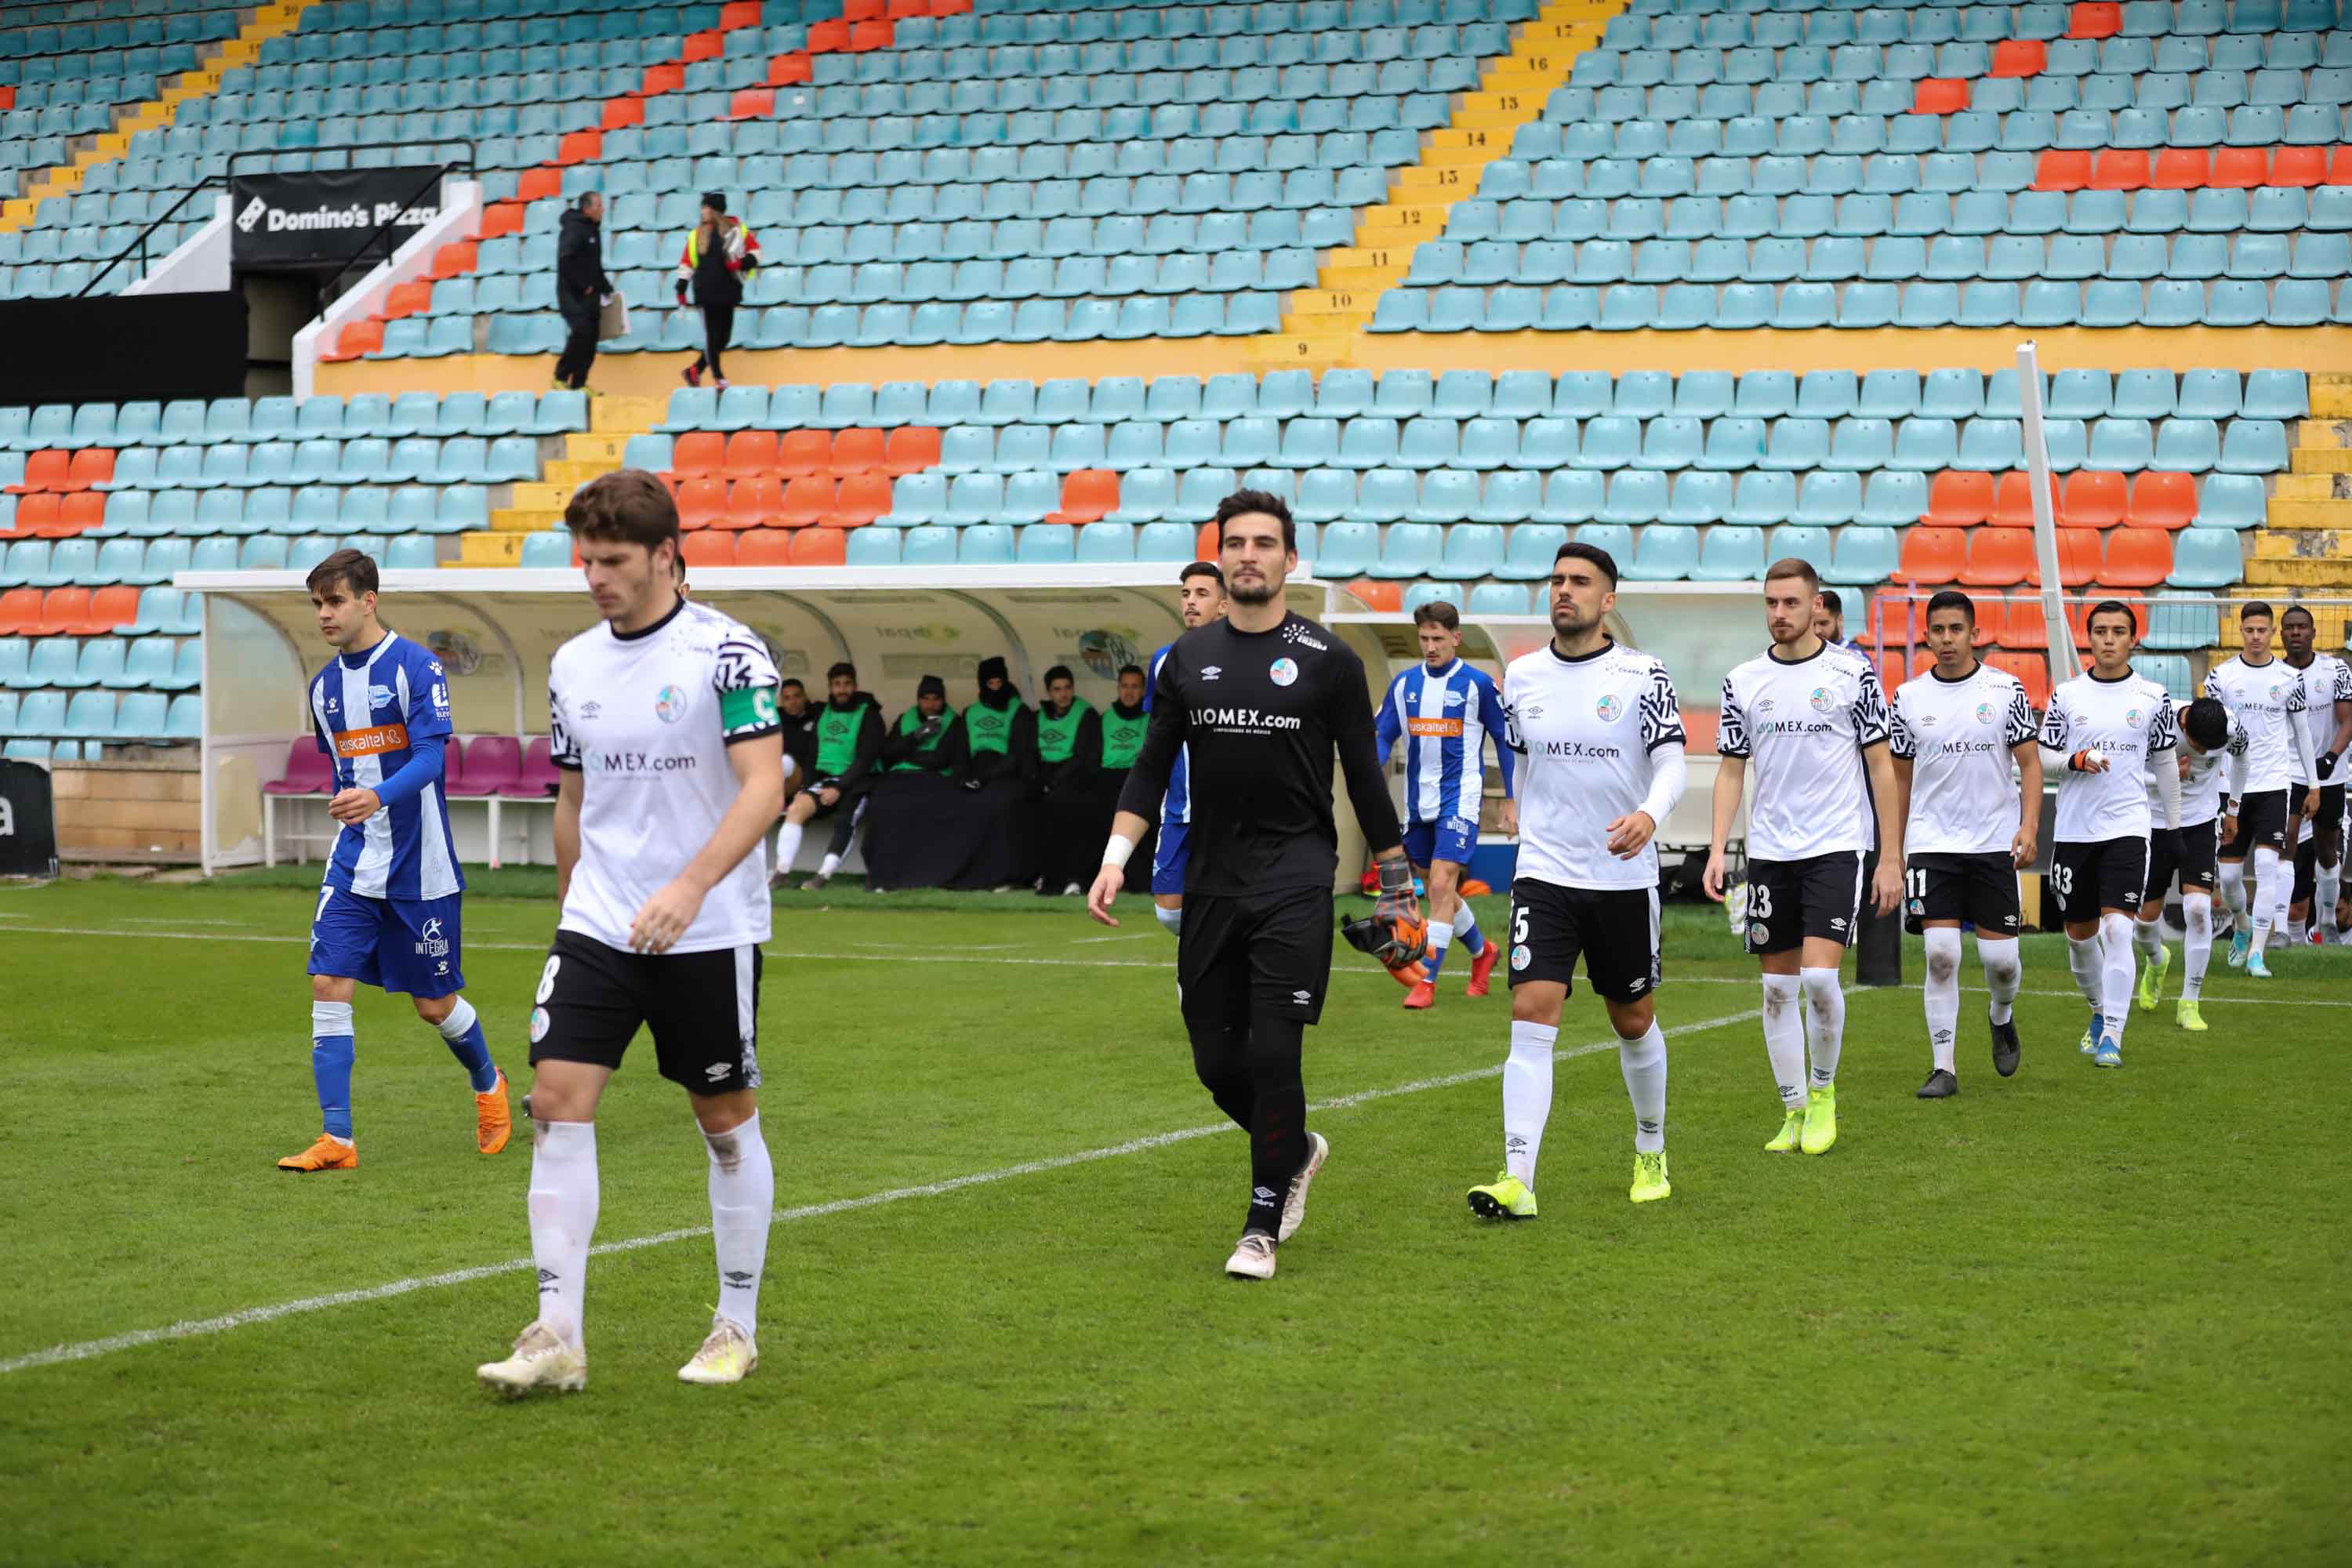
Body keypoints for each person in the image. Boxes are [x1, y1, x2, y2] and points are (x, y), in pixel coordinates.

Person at [476, 468, 786, 1396]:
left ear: (664, 554)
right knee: (553, 1102)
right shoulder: (573, 663)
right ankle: (556, 1335)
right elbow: (575, 797)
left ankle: (737, 1322)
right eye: (585, 560)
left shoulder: (729, 655)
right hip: (600, 926)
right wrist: (574, 910)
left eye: (612, 560)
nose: (595, 576)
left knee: (723, 1122)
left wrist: (691, 886)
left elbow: (765, 786)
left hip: (708, 926)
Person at [1087, 489, 1418, 1283]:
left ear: (1289, 560)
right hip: (1211, 881)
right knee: (1214, 1063)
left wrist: (1396, 879)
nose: (1247, 555)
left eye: (1263, 543)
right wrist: (1114, 855)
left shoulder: (1329, 659)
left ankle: (1261, 1224)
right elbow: (1151, 766)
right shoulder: (1185, 660)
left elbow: (1364, 774)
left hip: (1298, 878)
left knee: (1275, 1050)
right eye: (1234, 542)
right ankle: (1297, 1147)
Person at [1466, 542, 1683, 1219]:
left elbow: (1673, 762)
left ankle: (1651, 1146)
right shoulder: (1523, 676)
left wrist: (1649, 815)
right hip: (1546, 875)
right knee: (1531, 1014)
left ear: (1607, 600)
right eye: (1557, 579)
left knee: (1633, 1018)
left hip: (1621, 877)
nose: (1565, 590)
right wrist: (1526, 821)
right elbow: (1524, 764)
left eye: (1580, 582)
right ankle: (1518, 1179)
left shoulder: (1643, 674)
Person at [279, 548, 510, 1172]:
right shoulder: (324, 687)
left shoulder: (416, 667)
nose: (325, 615)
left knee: (434, 1005)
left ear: (368, 600)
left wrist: (376, 795)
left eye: (335, 602)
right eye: (318, 605)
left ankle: (489, 1083)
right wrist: (354, 802)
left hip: (420, 863)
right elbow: (342, 767)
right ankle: (338, 1140)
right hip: (356, 862)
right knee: (328, 983)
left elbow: (434, 760)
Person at [1703, 557, 1903, 1156]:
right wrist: (1718, 848)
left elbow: (1881, 768)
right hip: (1770, 851)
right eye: (1771, 603)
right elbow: (1732, 769)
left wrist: (1890, 857)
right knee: (1775, 991)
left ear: (1817, 606)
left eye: (1791, 603)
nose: (1780, 614)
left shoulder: (1853, 673)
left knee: (1819, 978)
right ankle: (1791, 1110)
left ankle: (1822, 1095)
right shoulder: (1743, 680)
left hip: (1837, 846)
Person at [1886, 590, 2039, 1100]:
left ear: (1974, 634)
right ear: (1926, 635)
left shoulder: (2005, 689)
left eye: (1957, 629)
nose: (1947, 639)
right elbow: (1900, 781)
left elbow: (2031, 764)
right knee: (1941, 955)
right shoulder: (1907, 698)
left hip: (1994, 844)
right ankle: (1943, 1067)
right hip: (1932, 843)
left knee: (2001, 964)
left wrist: (2030, 826)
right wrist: (1895, 846)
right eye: (1938, 630)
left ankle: (2001, 1015)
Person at [2038, 600, 2183, 1069]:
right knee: (2080, 938)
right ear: (2089, 637)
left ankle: (2113, 1036)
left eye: (2118, 631)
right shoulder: (2067, 695)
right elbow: (2042, 757)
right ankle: (2099, 1012)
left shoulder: (2153, 696)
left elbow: (2163, 762)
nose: (2108, 639)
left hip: (2127, 827)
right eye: (2100, 630)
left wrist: (2175, 828)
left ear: (2132, 640)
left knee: (2118, 928)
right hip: (2075, 830)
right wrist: (2075, 761)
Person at [1373, 599, 1515, 1011]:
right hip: (1419, 803)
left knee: (1439, 885)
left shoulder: (1477, 685)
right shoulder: (1404, 685)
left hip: (1461, 799)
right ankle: (1482, 951)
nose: (1431, 646)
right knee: (1439, 888)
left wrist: (1510, 799)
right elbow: (1383, 735)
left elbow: (1504, 741)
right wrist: (1370, 770)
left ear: (1456, 638)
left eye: (1438, 638)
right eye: (1424, 638)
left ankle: (1427, 983)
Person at [2205, 601, 2316, 977]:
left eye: (2262, 630)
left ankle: (2257, 954)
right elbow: (2212, 731)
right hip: (2228, 787)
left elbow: (2302, 733)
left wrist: (2313, 784)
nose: (2256, 637)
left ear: (2272, 633)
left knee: (2268, 867)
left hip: (2274, 785)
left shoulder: (2289, 678)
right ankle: (2242, 923)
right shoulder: (2221, 677)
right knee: (2231, 877)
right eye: (2249, 630)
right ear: (2242, 632)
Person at [2132, 696, 2241, 1032]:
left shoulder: (2230, 726)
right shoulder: (2156, 722)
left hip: (2200, 823)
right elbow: (2128, 770)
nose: (2206, 754)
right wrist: (2164, 778)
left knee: (2197, 908)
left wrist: (2233, 808)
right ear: (2183, 726)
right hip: (2154, 823)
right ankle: (2157, 960)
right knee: (2144, 921)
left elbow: (2244, 759)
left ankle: (2189, 1002)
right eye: (2199, 747)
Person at [1147, 561, 1227, 938]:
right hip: (1180, 807)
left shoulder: (1244, 660)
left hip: (1230, 813)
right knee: (1169, 912)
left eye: (1201, 594)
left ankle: (1208, 979)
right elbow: (1158, 736)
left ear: (1224, 605)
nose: (1190, 602)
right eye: (1185, 594)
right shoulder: (1164, 660)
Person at [772, 662, 882, 893]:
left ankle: (823, 876)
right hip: (826, 781)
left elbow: (865, 759)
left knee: (845, 821)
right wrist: (805, 786)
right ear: (830, 688)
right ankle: (781, 872)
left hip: (857, 782)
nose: (842, 690)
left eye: (847, 684)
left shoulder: (869, 714)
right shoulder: (824, 713)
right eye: (837, 685)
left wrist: (840, 788)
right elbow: (813, 754)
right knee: (796, 809)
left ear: (855, 686)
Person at [2278, 604, 2352, 942]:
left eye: (2302, 627)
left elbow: (2347, 719)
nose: (2296, 632)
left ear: (2313, 633)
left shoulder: (2336, 670)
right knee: (2286, 843)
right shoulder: (2274, 676)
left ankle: (2325, 923)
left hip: (2330, 774)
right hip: (2289, 772)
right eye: (2289, 627)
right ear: (2281, 634)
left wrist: (2331, 758)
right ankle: (2282, 929)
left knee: (2326, 850)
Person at [673, 191, 759, 390]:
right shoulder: (697, 234)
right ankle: (719, 378)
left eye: (706, 208)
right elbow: (687, 261)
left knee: (724, 338)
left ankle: (695, 370)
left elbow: (756, 252)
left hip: (728, 291)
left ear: (715, 210)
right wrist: (681, 285)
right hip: (705, 292)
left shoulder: (738, 230)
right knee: (712, 337)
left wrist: (742, 263)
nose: (702, 211)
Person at [1033, 663, 1103, 896]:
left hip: (1076, 780)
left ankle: (1074, 878)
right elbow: (1031, 753)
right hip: (1047, 778)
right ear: (1048, 692)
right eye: (1057, 689)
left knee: (1066, 810)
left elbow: (1085, 758)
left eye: (1067, 688)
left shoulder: (1086, 713)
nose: (1063, 694)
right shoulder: (1039, 715)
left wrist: (1054, 782)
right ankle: (1047, 875)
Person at [553, 192, 612, 393]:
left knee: (591, 338)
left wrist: (606, 287)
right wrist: (582, 285)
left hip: (591, 294)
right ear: (587, 209)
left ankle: (579, 383)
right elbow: (565, 260)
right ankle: (560, 377)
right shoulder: (574, 229)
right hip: (572, 294)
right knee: (581, 332)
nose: (602, 209)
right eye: (599, 205)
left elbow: (594, 265)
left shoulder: (593, 230)